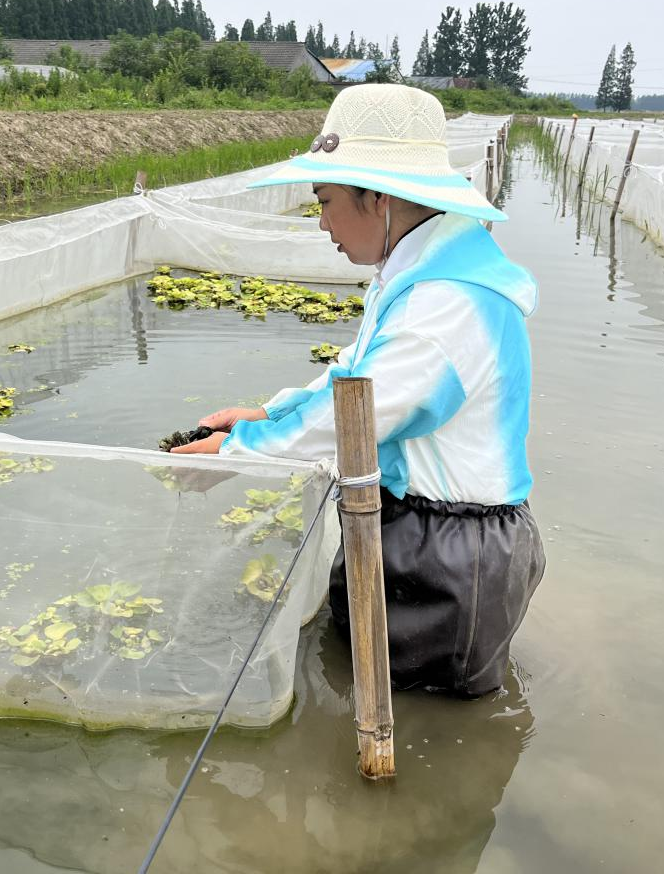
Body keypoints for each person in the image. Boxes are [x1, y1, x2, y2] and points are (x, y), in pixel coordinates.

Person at [171, 85, 544, 697]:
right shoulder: (417, 270)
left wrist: (237, 455)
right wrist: (267, 411)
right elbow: (352, 373)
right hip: (411, 521)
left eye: (326, 201)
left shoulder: (447, 305)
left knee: (433, 719)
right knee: (361, 681)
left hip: (453, 552)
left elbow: (359, 416)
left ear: (379, 197)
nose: (321, 224)